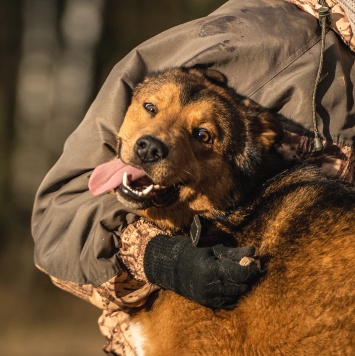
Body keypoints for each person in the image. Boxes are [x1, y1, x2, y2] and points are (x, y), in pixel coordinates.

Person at [31, 0, 355, 354]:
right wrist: (161, 259)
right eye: (151, 109)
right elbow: (59, 220)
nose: (155, 138)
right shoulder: (251, 38)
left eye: (201, 136)